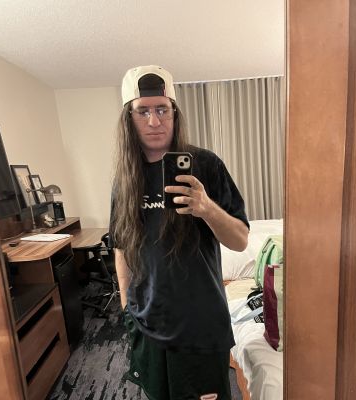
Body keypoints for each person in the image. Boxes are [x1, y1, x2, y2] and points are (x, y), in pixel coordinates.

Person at [109, 65, 249, 400]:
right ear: (129, 118)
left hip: (200, 325)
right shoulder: (125, 179)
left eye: (162, 109)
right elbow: (121, 247)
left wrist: (207, 208)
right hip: (147, 324)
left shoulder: (207, 165)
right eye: (143, 111)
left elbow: (241, 240)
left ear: (174, 113)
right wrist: (127, 307)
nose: (154, 121)